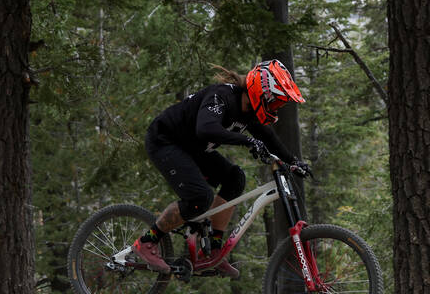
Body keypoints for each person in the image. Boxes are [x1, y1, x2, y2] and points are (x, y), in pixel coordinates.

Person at [132, 59, 310, 279]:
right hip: (166, 141)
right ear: (260, 92)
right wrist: (247, 141)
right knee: (199, 197)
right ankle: (147, 241)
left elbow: (269, 138)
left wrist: (294, 162)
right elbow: (206, 129)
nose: (275, 109)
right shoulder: (221, 96)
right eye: (274, 103)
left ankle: (214, 249)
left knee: (235, 179)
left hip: (193, 147)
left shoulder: (250, 112)